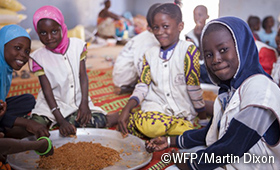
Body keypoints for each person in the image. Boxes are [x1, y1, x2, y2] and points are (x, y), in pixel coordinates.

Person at [146, 16, 280, 170]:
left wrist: (190, 164)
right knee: (183, 153)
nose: (215, 59)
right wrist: (171, 142)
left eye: (223, 50)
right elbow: (213, 131)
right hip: (233, 161)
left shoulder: (260, 91)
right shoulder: (231, 89)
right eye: (209, 55)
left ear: (241, 47)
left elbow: (231, 147)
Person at [117, 1, 209, 139]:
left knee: (173, 128)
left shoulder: (188, 51)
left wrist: (202, 117)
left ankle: (165, 128)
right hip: (156, 108)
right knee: (151, 125)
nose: (160, 32)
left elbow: (193, 86)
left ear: (180, 26)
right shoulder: (149, 54)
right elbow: (142, 86)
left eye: (165, 26)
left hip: (182, 110)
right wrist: (127, 108)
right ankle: (171, 130)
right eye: (155, 27)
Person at [29, 6, 118, 137]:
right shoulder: (38, 58)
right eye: (43, 33)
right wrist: (60, 120)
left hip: (76, 101)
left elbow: (83, 77)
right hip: (50, 105)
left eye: (54, 31)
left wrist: (84, 104)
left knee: (86, 120)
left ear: (62, 28)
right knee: (35, 127)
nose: (49, 37)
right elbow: (47, 92)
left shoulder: (77, 46)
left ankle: (113, 118)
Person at [0, 24, 53, 167]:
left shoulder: (5, 68)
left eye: (27, 51)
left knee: (28, 100)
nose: (23, 55)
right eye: (17, 48)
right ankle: (38, 146)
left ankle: (4, 130)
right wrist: (28, 123)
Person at [112, 3, 160, 95]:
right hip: (124, 79)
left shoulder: (148, 36)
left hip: (121, 75)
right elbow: (141, 65)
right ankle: (129, 88)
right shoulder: (149, 40)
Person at [185, 5, 211, 84]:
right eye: (195, 15)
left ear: (207, 16)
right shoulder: (190, 35)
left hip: (209, 74)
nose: (196, 18)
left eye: (200, 15)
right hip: (197, 75)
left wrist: (199, 36)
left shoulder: (211, 34)